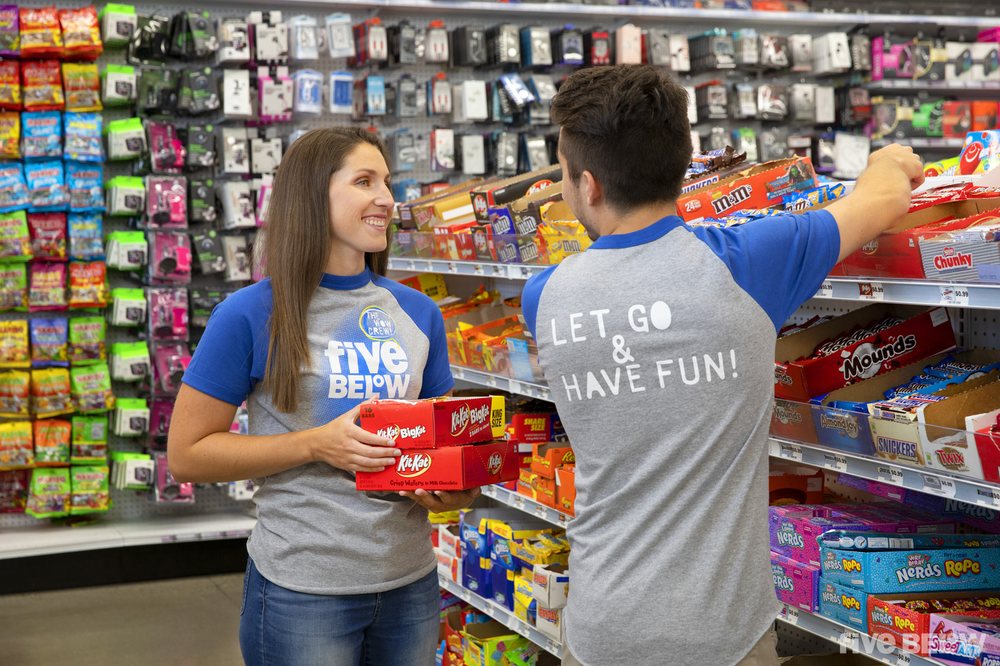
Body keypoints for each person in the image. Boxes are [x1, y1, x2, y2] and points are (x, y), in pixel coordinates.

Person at [520, 65, 924, 666]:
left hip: (599, 626)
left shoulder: (543, 298)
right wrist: (890, 158)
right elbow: (885, 197)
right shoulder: (750, 264)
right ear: (682, 164)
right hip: (725, 637)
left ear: (588, 185)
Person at [168, 127, 478, 666]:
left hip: (410, 581)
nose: (386, 198)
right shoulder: (249, 314)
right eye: (364, 182)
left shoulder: (418, 312)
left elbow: (439, 443)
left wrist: (453, 490)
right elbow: (187, 455)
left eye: (387, 182)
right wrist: (316, 444)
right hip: (302, 590)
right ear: (313, 194)